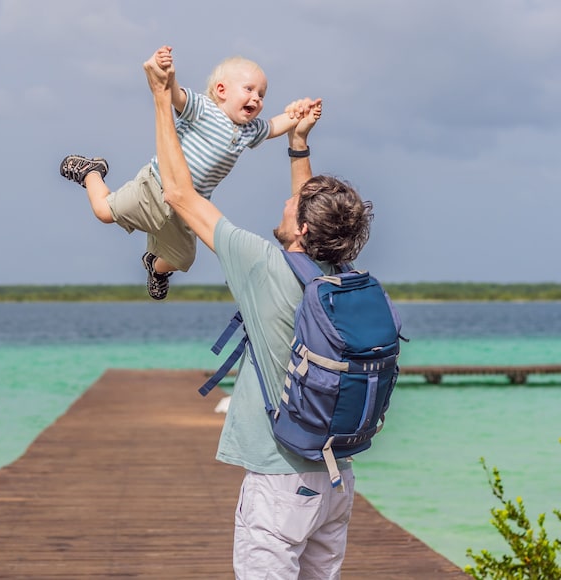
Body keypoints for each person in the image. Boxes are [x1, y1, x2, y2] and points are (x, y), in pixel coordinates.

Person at [145, 53, 375, 578]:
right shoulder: (338, 271)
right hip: (336, 480)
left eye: (296, 206)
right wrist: (298, 142)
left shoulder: (261, 264)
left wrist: (163, 100)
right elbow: (307, 202)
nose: (288, 202)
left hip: (279, 483)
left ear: (301, 232)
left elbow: (179, 194)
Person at [60, 45, 320, 300]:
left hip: (188, 209)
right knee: (104, 212)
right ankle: (91, 172)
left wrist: (301, 114)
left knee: (182, 259)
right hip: (155, 187)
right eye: (249, 89)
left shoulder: (249, 131)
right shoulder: (204, 109)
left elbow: (275, 126)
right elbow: (176, 97)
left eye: (262, 95)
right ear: (221, 91)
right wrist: (168, 76)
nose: (257, 98)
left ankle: (155, 268)